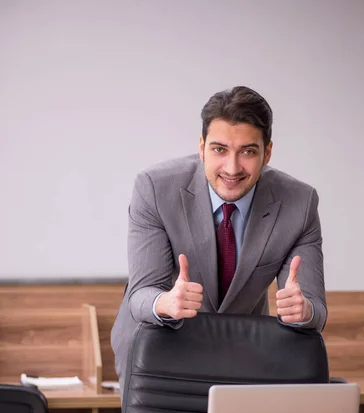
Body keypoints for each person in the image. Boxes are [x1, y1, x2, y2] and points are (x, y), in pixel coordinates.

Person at [111, 86, 327, 389]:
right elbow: (140, 294)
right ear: (201, 148)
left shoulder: (299, 203)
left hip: (238, 350)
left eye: (248, 152)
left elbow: (315, 307)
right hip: (158, 348)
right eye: (219, 149)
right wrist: (166, 301)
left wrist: (304, 311)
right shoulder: (156, 189)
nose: (232, 168)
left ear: (267, 153)